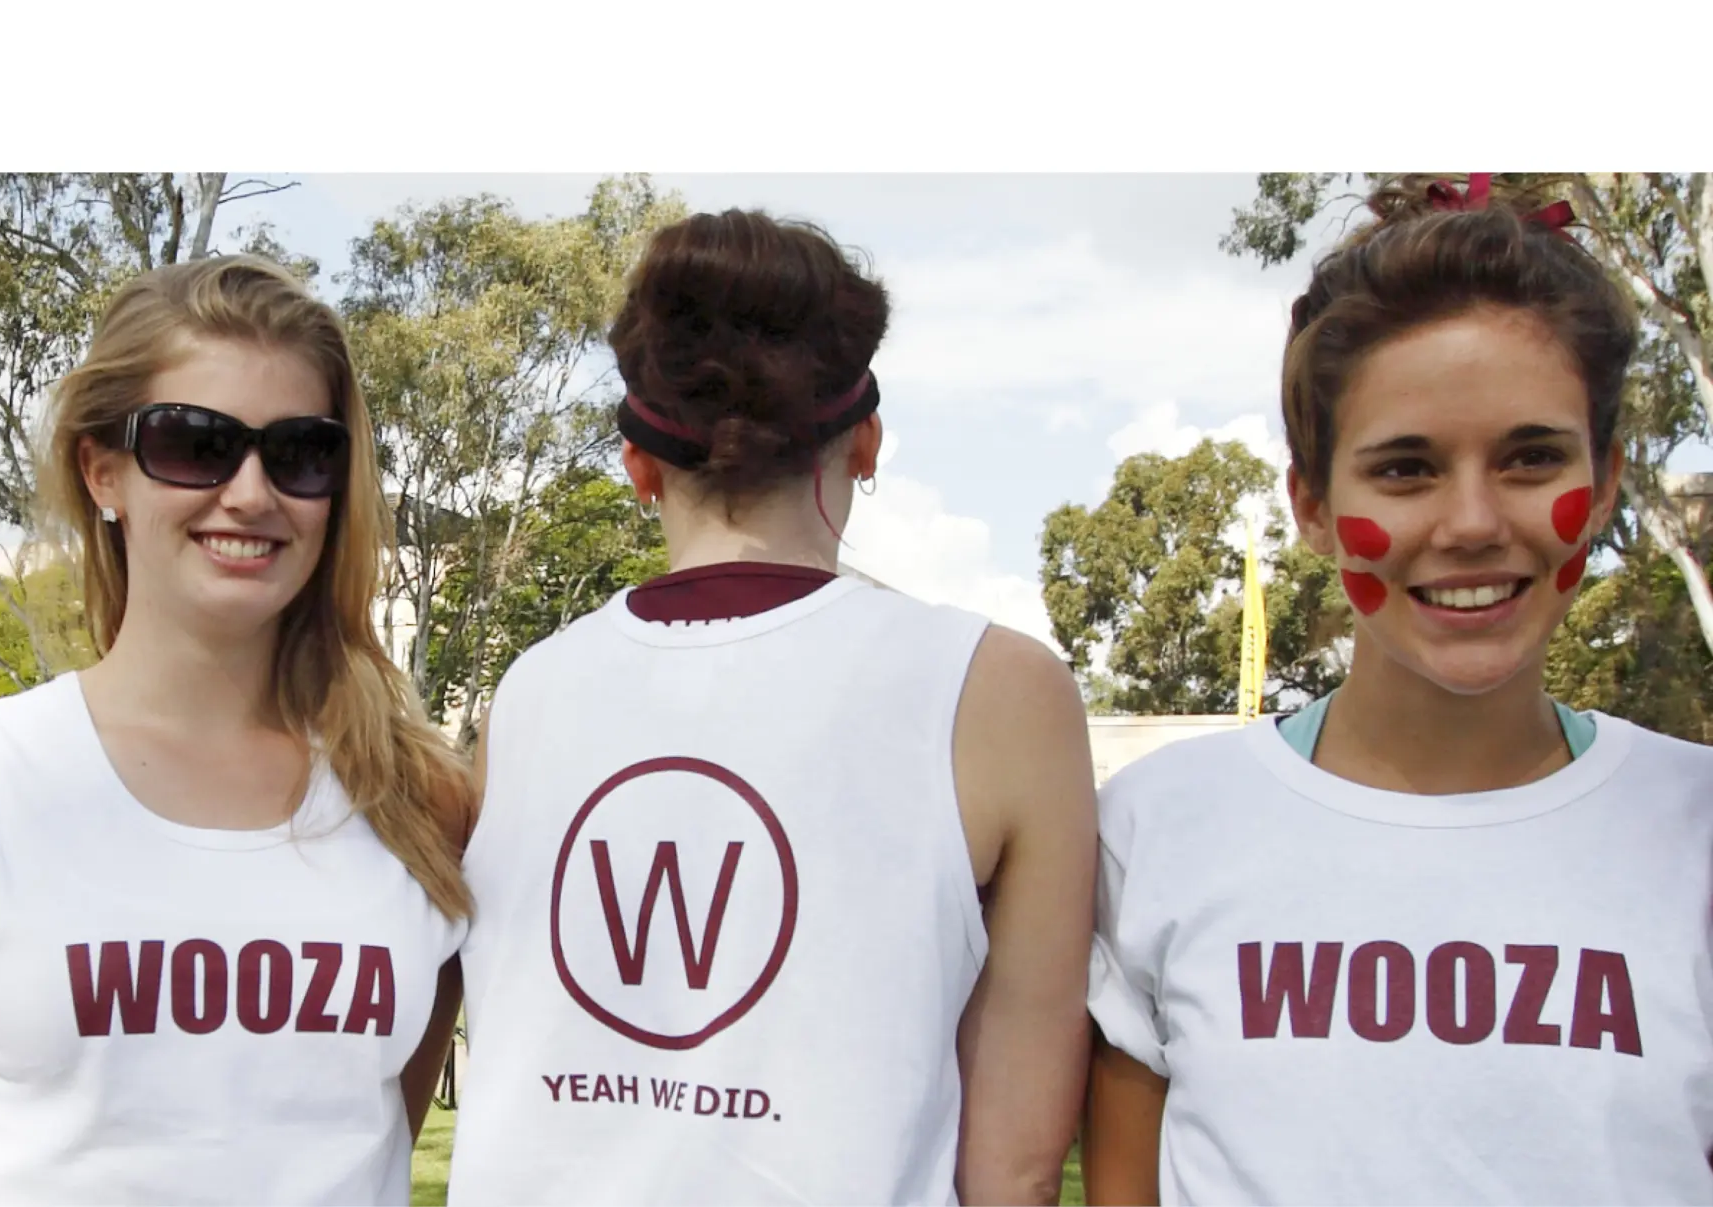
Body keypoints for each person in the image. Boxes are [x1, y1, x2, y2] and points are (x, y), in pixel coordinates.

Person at [444, 209, 1099, 1205]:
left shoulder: (527, 692)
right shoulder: (998, 690)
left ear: (637, 467)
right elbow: (1014, 1163)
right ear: (866, 443)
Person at [1083, 175, 1713, 1204]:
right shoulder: (1156, 829)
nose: (1469, 522)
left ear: (1600, 485)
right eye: (1406, 469)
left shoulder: (1697, 829)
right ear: (1313, 505)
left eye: (1529, 457)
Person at [0, 254, 471, 1205]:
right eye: (195, 443)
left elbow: (377, 1140)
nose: (251, 493)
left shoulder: (419, 804)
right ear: (103, 471)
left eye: (300, 451)